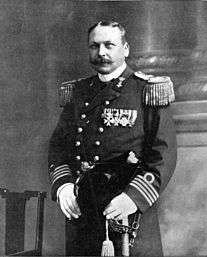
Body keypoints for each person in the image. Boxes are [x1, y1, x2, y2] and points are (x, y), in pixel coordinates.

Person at [48, 21, 177, 256]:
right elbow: (58, 148)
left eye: (109, 45)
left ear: (125, 48)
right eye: (94, 46)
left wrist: (133, 198)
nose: (102, 53)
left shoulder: (146, 90)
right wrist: (64, 187)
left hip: (129, 214)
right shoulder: (78, 92)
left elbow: (163, 156)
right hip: (83, 213)